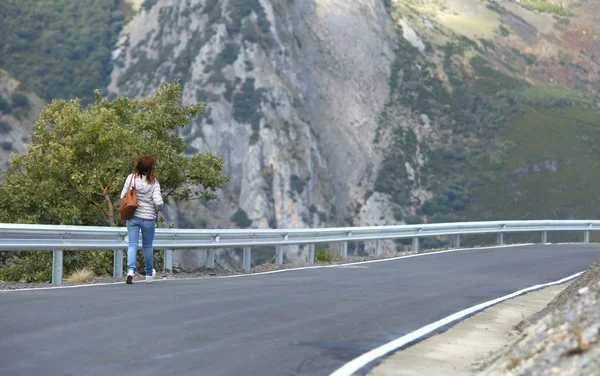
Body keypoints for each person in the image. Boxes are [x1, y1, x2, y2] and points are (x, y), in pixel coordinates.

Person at [120, 154, 164, 284]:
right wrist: (161, 206)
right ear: (151, 168)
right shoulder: (154, 182)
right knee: (148, 246)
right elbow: (158, 202)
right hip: (148, 218)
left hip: (133, 216)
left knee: (132, 244)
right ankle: (149, 275)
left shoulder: (131, 178)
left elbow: (123, 195)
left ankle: (130, 271)